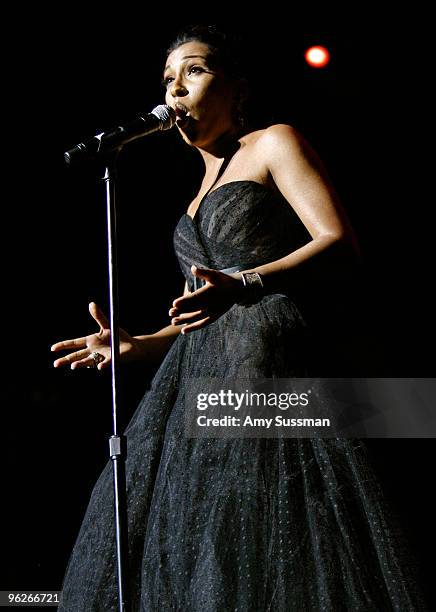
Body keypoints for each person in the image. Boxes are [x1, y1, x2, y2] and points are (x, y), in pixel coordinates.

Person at [52, 26, 427, 611]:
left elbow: (337, 241)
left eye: (194, 72)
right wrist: (140, 343)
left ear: (237, 88)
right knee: (210, 555)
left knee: (287, 546)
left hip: (276, 369)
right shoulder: (194, 200)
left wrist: (248, 281)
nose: (176, 88)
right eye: (167, 79)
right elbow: (198, 312)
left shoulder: (274, 143)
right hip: (201, 390)